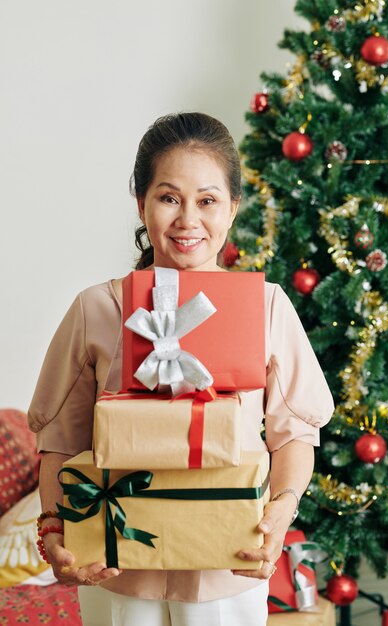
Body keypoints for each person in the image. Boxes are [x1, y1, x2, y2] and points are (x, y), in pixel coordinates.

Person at [28, 112, 334, 626]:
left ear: (233, 208)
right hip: (116, 564)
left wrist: (281, 511)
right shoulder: (96, 308)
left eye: (207, 201)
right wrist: (56, 531)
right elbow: (61, 439)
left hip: (227, 566)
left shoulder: (267, 306)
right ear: (141, 203)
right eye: (169, 198)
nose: (188, 219)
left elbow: (294, 433)